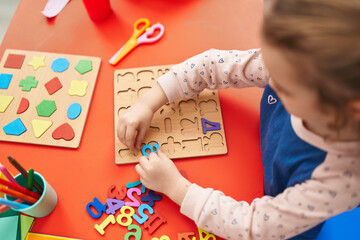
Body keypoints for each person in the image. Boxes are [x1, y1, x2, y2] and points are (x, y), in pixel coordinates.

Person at [117, 0, 360, 239]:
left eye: (284, 86)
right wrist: (149, 101)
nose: (269, 79)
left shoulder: (341, 178)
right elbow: (211, 65)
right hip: (256, 160)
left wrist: (176, 188)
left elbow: (255, 227)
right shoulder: (299, 66)